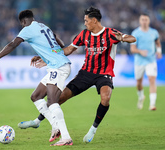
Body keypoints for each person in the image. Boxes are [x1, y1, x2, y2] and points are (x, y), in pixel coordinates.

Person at [18, 7, 136, 143]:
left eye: (86, 21)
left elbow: (132, 38)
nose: (85, 23)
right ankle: (37, 121)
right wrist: (46, 58)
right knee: (59, 98)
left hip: (104, 74)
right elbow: (68, 50)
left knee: (105, 98)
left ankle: (93, 129)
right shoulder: (84, 34)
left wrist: (123, 38)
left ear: (94, 21)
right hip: (86, 73)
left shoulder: (110, 33)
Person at [0, 9, 73, 146]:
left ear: (23, 22)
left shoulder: (27, 29)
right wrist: (46, 54)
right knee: (36, 96)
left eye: (22, 25)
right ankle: (55, 126)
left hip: (58, 67)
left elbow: (13, 44)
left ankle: (66, 137)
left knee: (53, 101)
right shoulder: (43, 26)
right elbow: (57, 40)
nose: (22, 27)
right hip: (58, 64)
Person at [130, 14, 162, 111]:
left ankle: (152, 104)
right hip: (139, 61)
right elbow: (132, 49)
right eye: (142, 19)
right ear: (140, 21)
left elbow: (157, 42)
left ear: (149, 21)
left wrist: (159, 51)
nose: (144, 21)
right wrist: (140, 51)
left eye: (146, 19)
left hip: (151, 60)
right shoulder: (135, 33)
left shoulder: (154, 32)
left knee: (152, 80)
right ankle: (141, 97)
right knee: (139, 83)